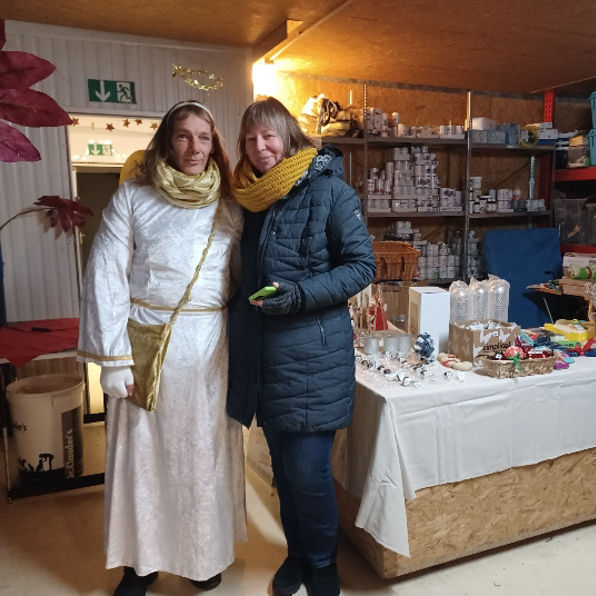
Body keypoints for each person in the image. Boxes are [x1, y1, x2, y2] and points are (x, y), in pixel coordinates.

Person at [77, 100, 246, 596]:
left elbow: (243, 277)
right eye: (183, 136)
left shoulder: (231, 204)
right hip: (147, 345)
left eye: (204, 137)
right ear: (167, 142)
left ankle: (201, 555)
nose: (194, 147)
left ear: (215, 145)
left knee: (203, 455)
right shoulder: (133, 198)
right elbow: (105, 274)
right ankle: (141, 562)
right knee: (143, 457)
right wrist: (112, 358)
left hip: (210, 348)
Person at [227, 97, 376, 596]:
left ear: (289, 136)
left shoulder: (331, 192)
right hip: (263, 359)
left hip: (314, 355)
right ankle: (296, 555)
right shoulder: (248, 200)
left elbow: (362, 266)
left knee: (308, 471)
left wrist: (299, 295)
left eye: (268, 135)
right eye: (250, 139)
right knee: (285, 474)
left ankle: (323, 564)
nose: (259, 147)